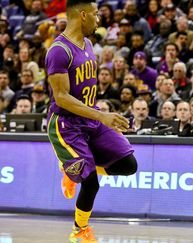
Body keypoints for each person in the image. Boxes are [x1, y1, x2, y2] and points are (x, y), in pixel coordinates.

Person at [45, 0, 138, 241]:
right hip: (66, 126)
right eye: (96, 15)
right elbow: (62, 98)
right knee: (91, 183)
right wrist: (102, 115)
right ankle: (79, 231)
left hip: (91, 119)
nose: (99, 20)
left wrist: (99, 116)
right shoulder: (58, 50)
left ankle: (72, 168)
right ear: (83, 15)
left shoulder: (86, 43)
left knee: (129, 165)